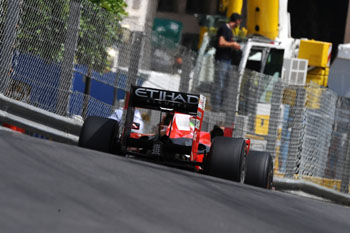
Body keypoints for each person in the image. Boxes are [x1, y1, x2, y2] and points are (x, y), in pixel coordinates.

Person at [212, 13, 242, 112]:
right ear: (236, 20)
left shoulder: (230, 31)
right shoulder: (224, 28)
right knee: (219, 83)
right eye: (239, 21)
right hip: (222, 60)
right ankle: (216, 107)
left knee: (225, 84)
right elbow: (221, 43)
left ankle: (221, 105)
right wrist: (232, 44)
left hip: (227, 61)